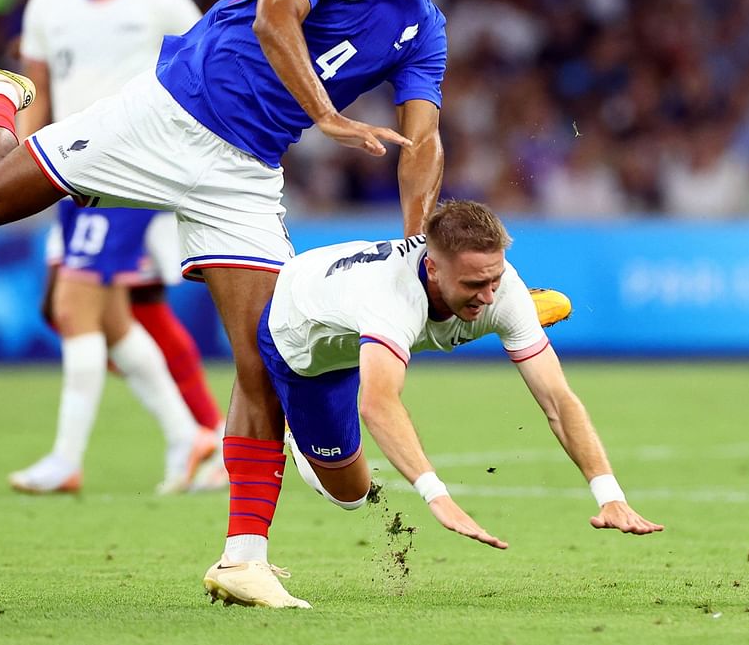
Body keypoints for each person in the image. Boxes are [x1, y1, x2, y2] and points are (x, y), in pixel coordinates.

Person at [0, 0, 471, 607]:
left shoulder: (423, 26)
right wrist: (329, 116)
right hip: (165, 116)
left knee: (266, 357)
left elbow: (423, 141)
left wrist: (415, 248)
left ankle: (243, 558)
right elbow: (277, 18)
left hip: (243, 175)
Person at [223, 199, 661, 605]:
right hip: (305, 343)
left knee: (492, 311)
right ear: (432, 268)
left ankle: (507, 322)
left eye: (494, 280)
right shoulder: (390, 296)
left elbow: (558, 401)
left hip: (375, 328)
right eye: (475, 283)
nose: (490, 293)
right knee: (351, 494)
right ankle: (296, 430)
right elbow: (377, 405)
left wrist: (609, 494)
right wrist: (437, 495)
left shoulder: (497, 286)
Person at [9, 0, 226, 496]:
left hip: (134, 170)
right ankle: (190, 437)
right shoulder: (47, 5)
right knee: (105, 317)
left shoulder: (163, 3)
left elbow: (208, 70)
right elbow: (37, 90)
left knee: (74, 307)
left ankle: (65, 460)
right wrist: (27, 164)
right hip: (68, 170)